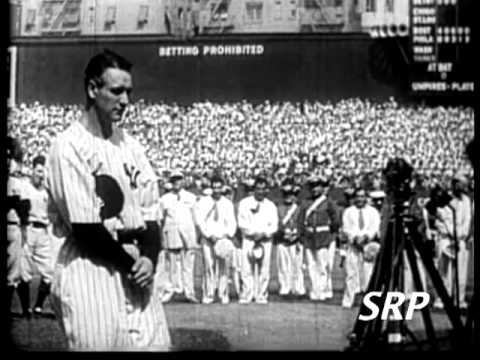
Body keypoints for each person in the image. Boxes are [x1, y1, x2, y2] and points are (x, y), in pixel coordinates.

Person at [46, 50, 171, 350]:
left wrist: (149, 259)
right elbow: (86, 228)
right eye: (116, 91)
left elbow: (151, 210)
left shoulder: (131, 146)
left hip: (138, 265)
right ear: (92, 89)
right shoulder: (69, 146)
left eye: (129, 91)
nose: (126, 101)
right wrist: (134, 264)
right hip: (93, 269)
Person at [22, 155, 58, 315]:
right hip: (28, 229)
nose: (40, 175)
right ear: (32, 170)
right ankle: (25, 309)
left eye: (43, 172)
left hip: (43, 231)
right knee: (24, 271)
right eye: (38, 171)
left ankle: (38, 306)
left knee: (50, 271)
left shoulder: (47, 192)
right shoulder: (25, 188)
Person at [157, 170, 199, 303]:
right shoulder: (164, 199)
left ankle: (189, 292)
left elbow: (195, 218)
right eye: (174, 180)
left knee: (188, 263)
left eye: (179, 179)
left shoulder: (191, 197)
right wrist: (162, 237)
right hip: (172, 231)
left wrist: (196, 237)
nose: (176, 182)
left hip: (188, 232)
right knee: (172, 264)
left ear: (184, 180)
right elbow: (161, 219)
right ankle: (170, 291)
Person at [194, 176, 237, 304]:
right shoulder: (203, 202)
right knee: (209, 266)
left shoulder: (227, 204)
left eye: (219, 187)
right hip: (208, 239)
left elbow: (232, 222)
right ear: (211, 188)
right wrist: (208, 235)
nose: (217, 190)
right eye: (214, 187)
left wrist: (226, 235)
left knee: (224, 267)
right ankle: (209, 294)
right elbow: (199, 221)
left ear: (223, 188)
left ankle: (223, 294)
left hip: (223, 238)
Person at [237, 176, 278, 304]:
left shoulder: (271, 205)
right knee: (246, 268)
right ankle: (247, 294)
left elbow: (274, 225)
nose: (260, 191)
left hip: (265, 241)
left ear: (267, 190)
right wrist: (252, 234)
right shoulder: (244, 203)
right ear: (254, 189)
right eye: (258, 189)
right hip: (249, 240)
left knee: (264, 269)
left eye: (263, 189)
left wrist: (264, 234)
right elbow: (241, 222)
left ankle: (261, 295)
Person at [298, 175, 340, 301]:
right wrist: (302, 235)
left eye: (318, 186)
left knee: (322, 265)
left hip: (323, 236)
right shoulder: (306, 203)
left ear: (323, 188)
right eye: (313, 187)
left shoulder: (328, 203)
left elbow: (335, 220)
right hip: (310, 237)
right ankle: (314, 289)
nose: (315, 189)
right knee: (311, 265)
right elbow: (300, 220)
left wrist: (330, 234)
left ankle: (321, 290)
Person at [434, 172, 472, 309]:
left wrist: (460, 235)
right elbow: (443, 219)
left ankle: (459, 299)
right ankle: (442, 298)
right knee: (444, 270)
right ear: (455, 184)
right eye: (461, 184)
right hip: (445, 238)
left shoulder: (467, 200)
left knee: (460, 271)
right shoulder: (444, 198)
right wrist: (452, 234)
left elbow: (467, 220)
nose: (463, 187)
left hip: (460, 239)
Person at [341, 187, 381, 308]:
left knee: (368, 273)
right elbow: (346, 228)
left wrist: (366, 237)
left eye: (362, 196)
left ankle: (369, 302)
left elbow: (374, 227)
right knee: (351, 273)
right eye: (357, 196)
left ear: (366, 198)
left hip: (368, 245)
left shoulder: (373, 212)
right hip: (353, 245)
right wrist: (354, 238)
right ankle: (348, 300)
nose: (360, 199)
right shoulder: (348, 211)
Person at [7, 136, 33, 318]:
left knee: (21, 269)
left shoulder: (17, 180)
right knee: (13, 271)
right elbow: (21, 205)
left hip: (17, 225)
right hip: (12, 226)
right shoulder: (14, 181)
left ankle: (26, 309)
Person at [274, 179, 305, 298]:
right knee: (283, 265)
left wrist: (297, 235)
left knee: (297, 266)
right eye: (286, 194)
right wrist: (283, 234)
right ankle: (285, 288)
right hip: (283, 240)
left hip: (296, 240)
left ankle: (298, 288)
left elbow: (302, 224)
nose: (289, 197)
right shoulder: (279, 208)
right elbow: (276, 224)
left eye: (291, 194)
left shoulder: (299, 209)